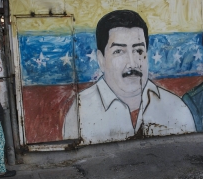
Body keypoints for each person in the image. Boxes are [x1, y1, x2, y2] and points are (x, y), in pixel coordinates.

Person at [62, 10, 195, 144]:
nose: (132, 63)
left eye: (138, 50)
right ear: (101, 60)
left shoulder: (176, 108)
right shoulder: (80, 111)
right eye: (119, 51)